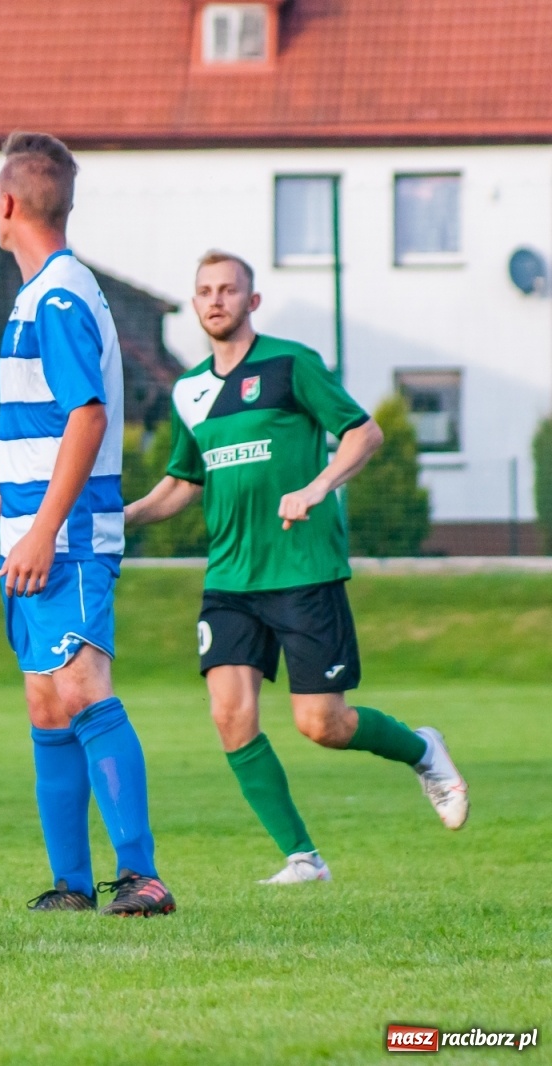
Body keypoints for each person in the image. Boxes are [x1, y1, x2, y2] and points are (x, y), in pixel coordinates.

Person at [125, 251, 468, 884]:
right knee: (229, 714)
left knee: (322, 724)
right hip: (229, 579)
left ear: (252, 301)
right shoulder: (190, 391)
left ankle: (423, 749)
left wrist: (318, 487)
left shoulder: (291, 364)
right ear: (195, 304)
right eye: (205, 291)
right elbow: (181, 482)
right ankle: (303, 858)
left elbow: (364, 433)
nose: (216, 300)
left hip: (302, 570)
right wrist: (122, 518)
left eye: (229, 289)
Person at [0, 132, 175, 916]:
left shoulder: (59, 298)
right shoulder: (38, 298)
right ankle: (70, 884)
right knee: (44, 700)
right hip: (35, 536)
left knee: (84, 686)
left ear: (4, 205)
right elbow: (18, 446)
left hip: (66, 540)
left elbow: (88, 421)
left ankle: (141, 875)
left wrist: (41, 532)